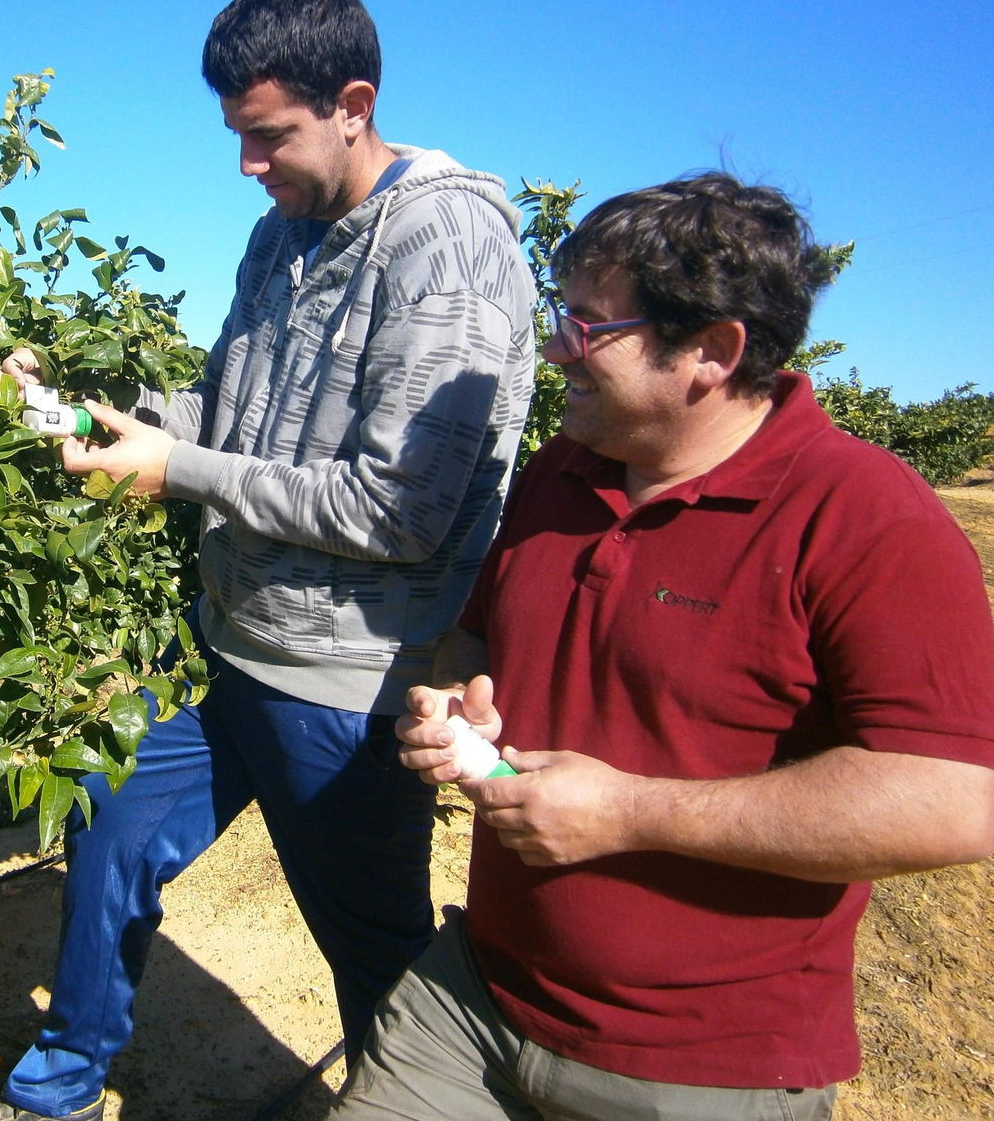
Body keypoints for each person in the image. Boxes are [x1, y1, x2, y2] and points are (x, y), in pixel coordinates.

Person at [0, 0, 536, 1121]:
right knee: (109, 833)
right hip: (234, 651)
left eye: (269, 137)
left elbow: (405, 510)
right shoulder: (277, 239)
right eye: (236, 137)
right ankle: (59, 1079)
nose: (249, 166)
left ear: (354, 102)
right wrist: (107, 414)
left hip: (345, 686)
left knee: (375, 953)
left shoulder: (447, 250)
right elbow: (220, 412)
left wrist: (179, 472)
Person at [332, 172, 994, 1120]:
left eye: (590, 327)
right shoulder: (563, 471)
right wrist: (454, 699)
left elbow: (954, 802)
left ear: (712, 352)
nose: (556, 348)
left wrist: (630, 813)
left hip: (701, 1070)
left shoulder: (870, 520)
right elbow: (475, 632)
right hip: (478, 995)